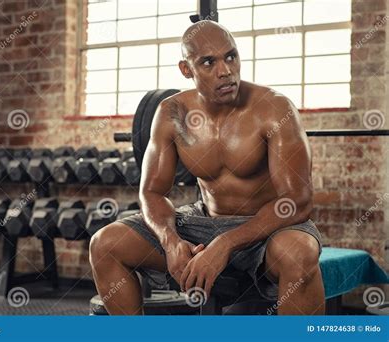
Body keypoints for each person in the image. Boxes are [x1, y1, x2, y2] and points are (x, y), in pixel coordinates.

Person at [89, 20, 324, 315]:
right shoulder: (171, 112)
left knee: (299, 253)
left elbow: (297, 202)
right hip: (205, 221)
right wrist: (171, 241)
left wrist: (225, 244)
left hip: (268, 227)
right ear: (186, 70)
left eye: (231, 56)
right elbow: (151, 192)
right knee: (105, 243)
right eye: (208, 62)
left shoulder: (274, 108)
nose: (225, 70)